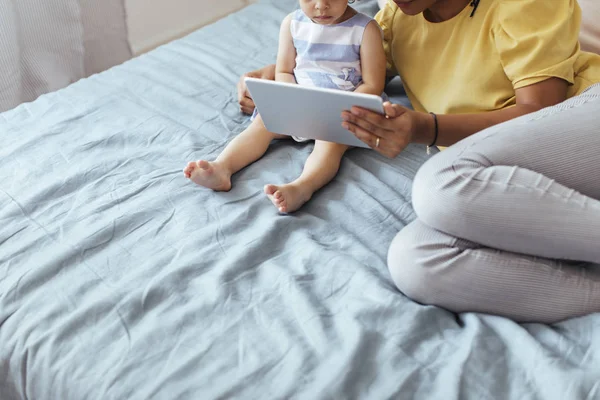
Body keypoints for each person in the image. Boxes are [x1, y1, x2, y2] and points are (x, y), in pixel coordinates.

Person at [237, 0, 600, 323]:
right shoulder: (398, 18)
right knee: (415, 263)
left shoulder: (523, 5)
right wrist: (271, 76)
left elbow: (539, 112)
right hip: (509, 172)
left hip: (582, 120)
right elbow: (354, 63)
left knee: (438, 186)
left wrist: (427, 127)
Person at [184, 0, 386, 213]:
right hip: (300, 104)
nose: (321, 5)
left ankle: (302, 188)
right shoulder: (292, 23)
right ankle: (222, 168)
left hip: (343, 110)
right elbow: (284, 72)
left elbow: (372, 85)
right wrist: (293, 99)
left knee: (329, 143)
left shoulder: (366, 29)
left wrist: (341, 109)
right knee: (263, 123)